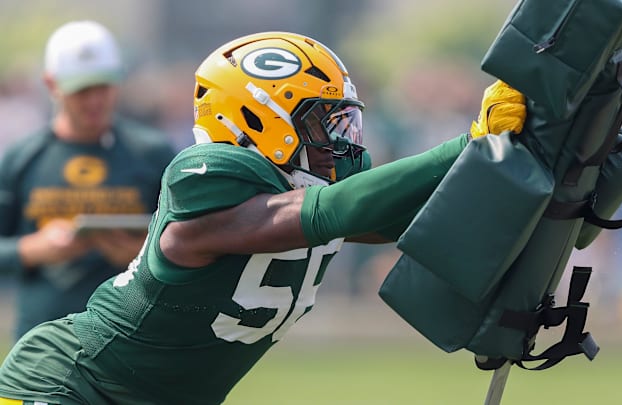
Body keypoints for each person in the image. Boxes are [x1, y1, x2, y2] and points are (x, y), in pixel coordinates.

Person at [0, 31, 526, 405]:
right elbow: (322, 212)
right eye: (325, 120)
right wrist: (468, 143)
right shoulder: (207, 175)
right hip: (69, 386)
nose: (341, 139)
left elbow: (414, 217)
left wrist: (523, 169)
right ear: (261, 117)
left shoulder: (311, 188)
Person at [0, 20, 176, 341]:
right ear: (52, 84)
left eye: (103, 86)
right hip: (41, 338)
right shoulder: (21, 158)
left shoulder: (152, 153)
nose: (95, 100)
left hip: (129, 335)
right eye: (82, 89)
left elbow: (189, 238)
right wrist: (35, 249)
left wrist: (143, 254)